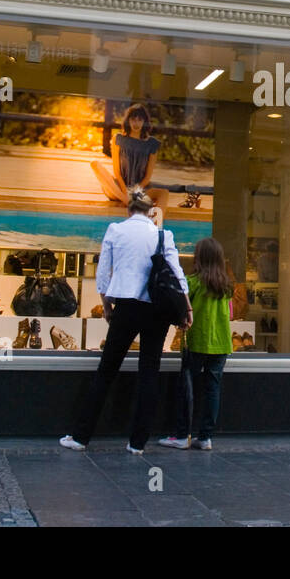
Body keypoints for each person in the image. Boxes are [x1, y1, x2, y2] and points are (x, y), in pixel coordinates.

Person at [60, 186, 190, 454]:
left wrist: (107, 306)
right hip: (157, 309)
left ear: (128, 209)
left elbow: (104, 273)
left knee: (107, 371)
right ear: (150, 211)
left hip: (126, 306)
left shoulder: (115, 231)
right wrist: (186, 310)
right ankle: (137, 443)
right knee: (149, 372)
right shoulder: (162, 234)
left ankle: (81, 436)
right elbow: (177, 275)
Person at [160, 237, 234, 450]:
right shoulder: (226, 286)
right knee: (213, 389)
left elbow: (183, 309)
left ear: (199, 257)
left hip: (196, 342)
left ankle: (183, 435)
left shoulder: (192, 283)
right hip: (221, 344)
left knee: (187, 388)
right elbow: (229, 314)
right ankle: (206, 437)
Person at [92, 103, 170, 213]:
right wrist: (126, 193)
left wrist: (134, 192)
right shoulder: (118, 139)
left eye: (140, 120)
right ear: (128, 121)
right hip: (119, 189)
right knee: (95, 164)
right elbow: (117, 172)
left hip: (140, 190)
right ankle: (128, 202)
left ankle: (157, 225)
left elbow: (147, 177)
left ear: (144, 122)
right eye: (133, 119)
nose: (136, 123)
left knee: (164, 193)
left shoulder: (152, 144)